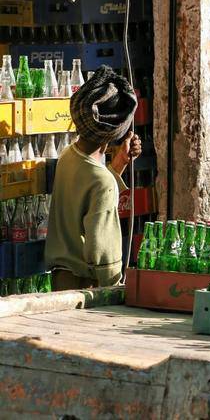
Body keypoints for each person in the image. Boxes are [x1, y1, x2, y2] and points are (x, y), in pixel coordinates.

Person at [45, 65, 142, 291]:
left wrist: (118, 164)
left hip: (61, 280)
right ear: (115, 131)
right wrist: (115, 287)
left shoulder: (68, 155)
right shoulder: (103, 182)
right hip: (86, 285)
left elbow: (88, 186)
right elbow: (102, 251)